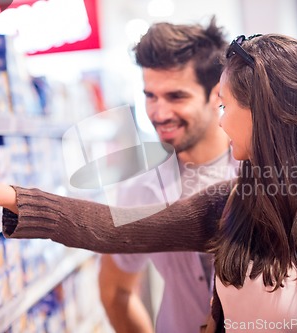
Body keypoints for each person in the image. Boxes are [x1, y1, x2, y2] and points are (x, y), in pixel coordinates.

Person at [0, 33, 297, 333]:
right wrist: (3, 195)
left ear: (266, 115)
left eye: (226, 106)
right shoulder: (231, 204)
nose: (221, 122)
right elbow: (110, 228)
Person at [98, 18, 237, 333]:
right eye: (150, 96)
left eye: (176, 97)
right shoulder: (138, 191)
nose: (158, 113)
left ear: (217, 94)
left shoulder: (259, 173)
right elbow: (114, 289)